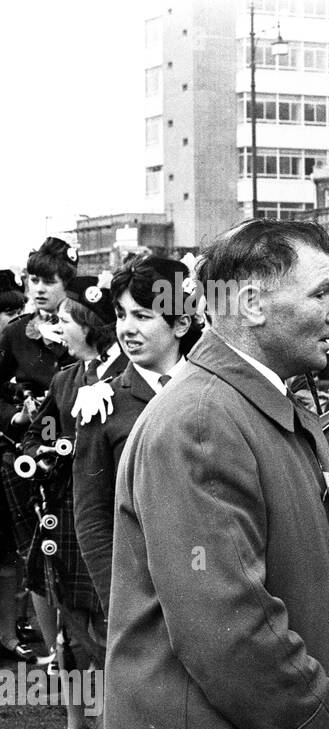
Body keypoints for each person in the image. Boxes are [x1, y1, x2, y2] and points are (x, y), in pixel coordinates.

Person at [105, 219, 329, 729]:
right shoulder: (202, 421)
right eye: (322, 293)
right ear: (251, 303)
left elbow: (317, 580)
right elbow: (228, 628)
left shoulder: (251, 406)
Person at [22, 274, 128, 729]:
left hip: (107, 517)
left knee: (107, 623)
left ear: (90, 325)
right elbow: (34, 437)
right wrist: (41, 453)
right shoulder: (65, 382)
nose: (57, 327)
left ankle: (115, 723)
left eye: (65, 319)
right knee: (67, 622)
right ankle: (75, 724)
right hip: (61, 516)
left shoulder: (126, 375)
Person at [73, 254, 201, 613]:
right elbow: (92, 519)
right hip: (143, 599)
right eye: (121, 315)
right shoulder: (102, 405)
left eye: (143, 316)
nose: (127, 328)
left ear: (180, 324)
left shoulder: (215, 392)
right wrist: (121, 605)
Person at [0, 238, 77, 670]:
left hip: (79, 457)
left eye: (49, 280)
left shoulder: (88, 328)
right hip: (26, 458)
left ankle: (82, 642)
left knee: (78, 549)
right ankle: (55, 651)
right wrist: (14, 416)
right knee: (35, 553)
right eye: (34, 279)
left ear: (67, 283)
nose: (39, 288)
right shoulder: (16, 333)